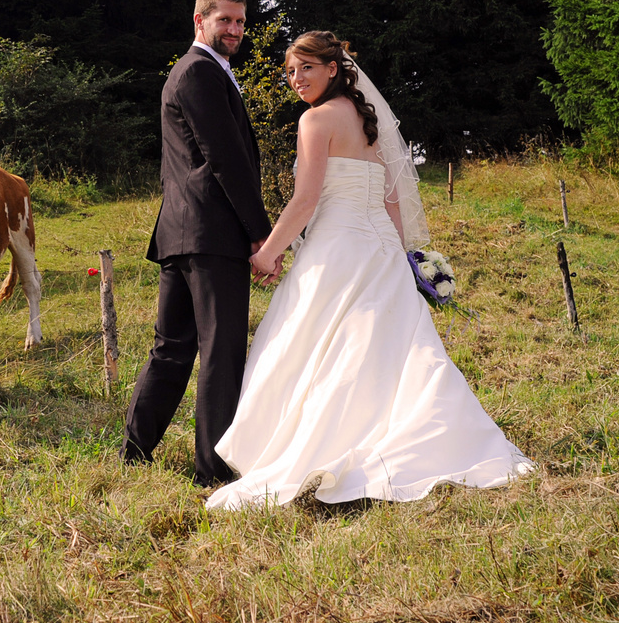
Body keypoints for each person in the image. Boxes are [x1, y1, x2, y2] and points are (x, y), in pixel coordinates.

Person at [206, 31, 534, 510]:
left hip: (338, 248)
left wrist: (268, 251)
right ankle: (429, 433)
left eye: (307, 69)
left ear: (333, 69)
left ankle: (330, 442)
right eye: (291, 72)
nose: (296, 79)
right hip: (379, 247)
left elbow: (307, 198)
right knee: (394, 348)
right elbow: (391, 198)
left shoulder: (315, 119)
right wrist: (400, 254)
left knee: (320, 346)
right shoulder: (367, 119)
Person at [123, 0, 275, 486]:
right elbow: (226, 160)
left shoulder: (198, 72)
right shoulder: (199, 73)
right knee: (221, 349)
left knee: (173, 347)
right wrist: (260, 235)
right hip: (211, 235)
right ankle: (211, 470)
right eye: (225, 20)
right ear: (199, 21)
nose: (234, 29)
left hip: (184, 232)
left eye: (240, 22)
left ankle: (134, 451)